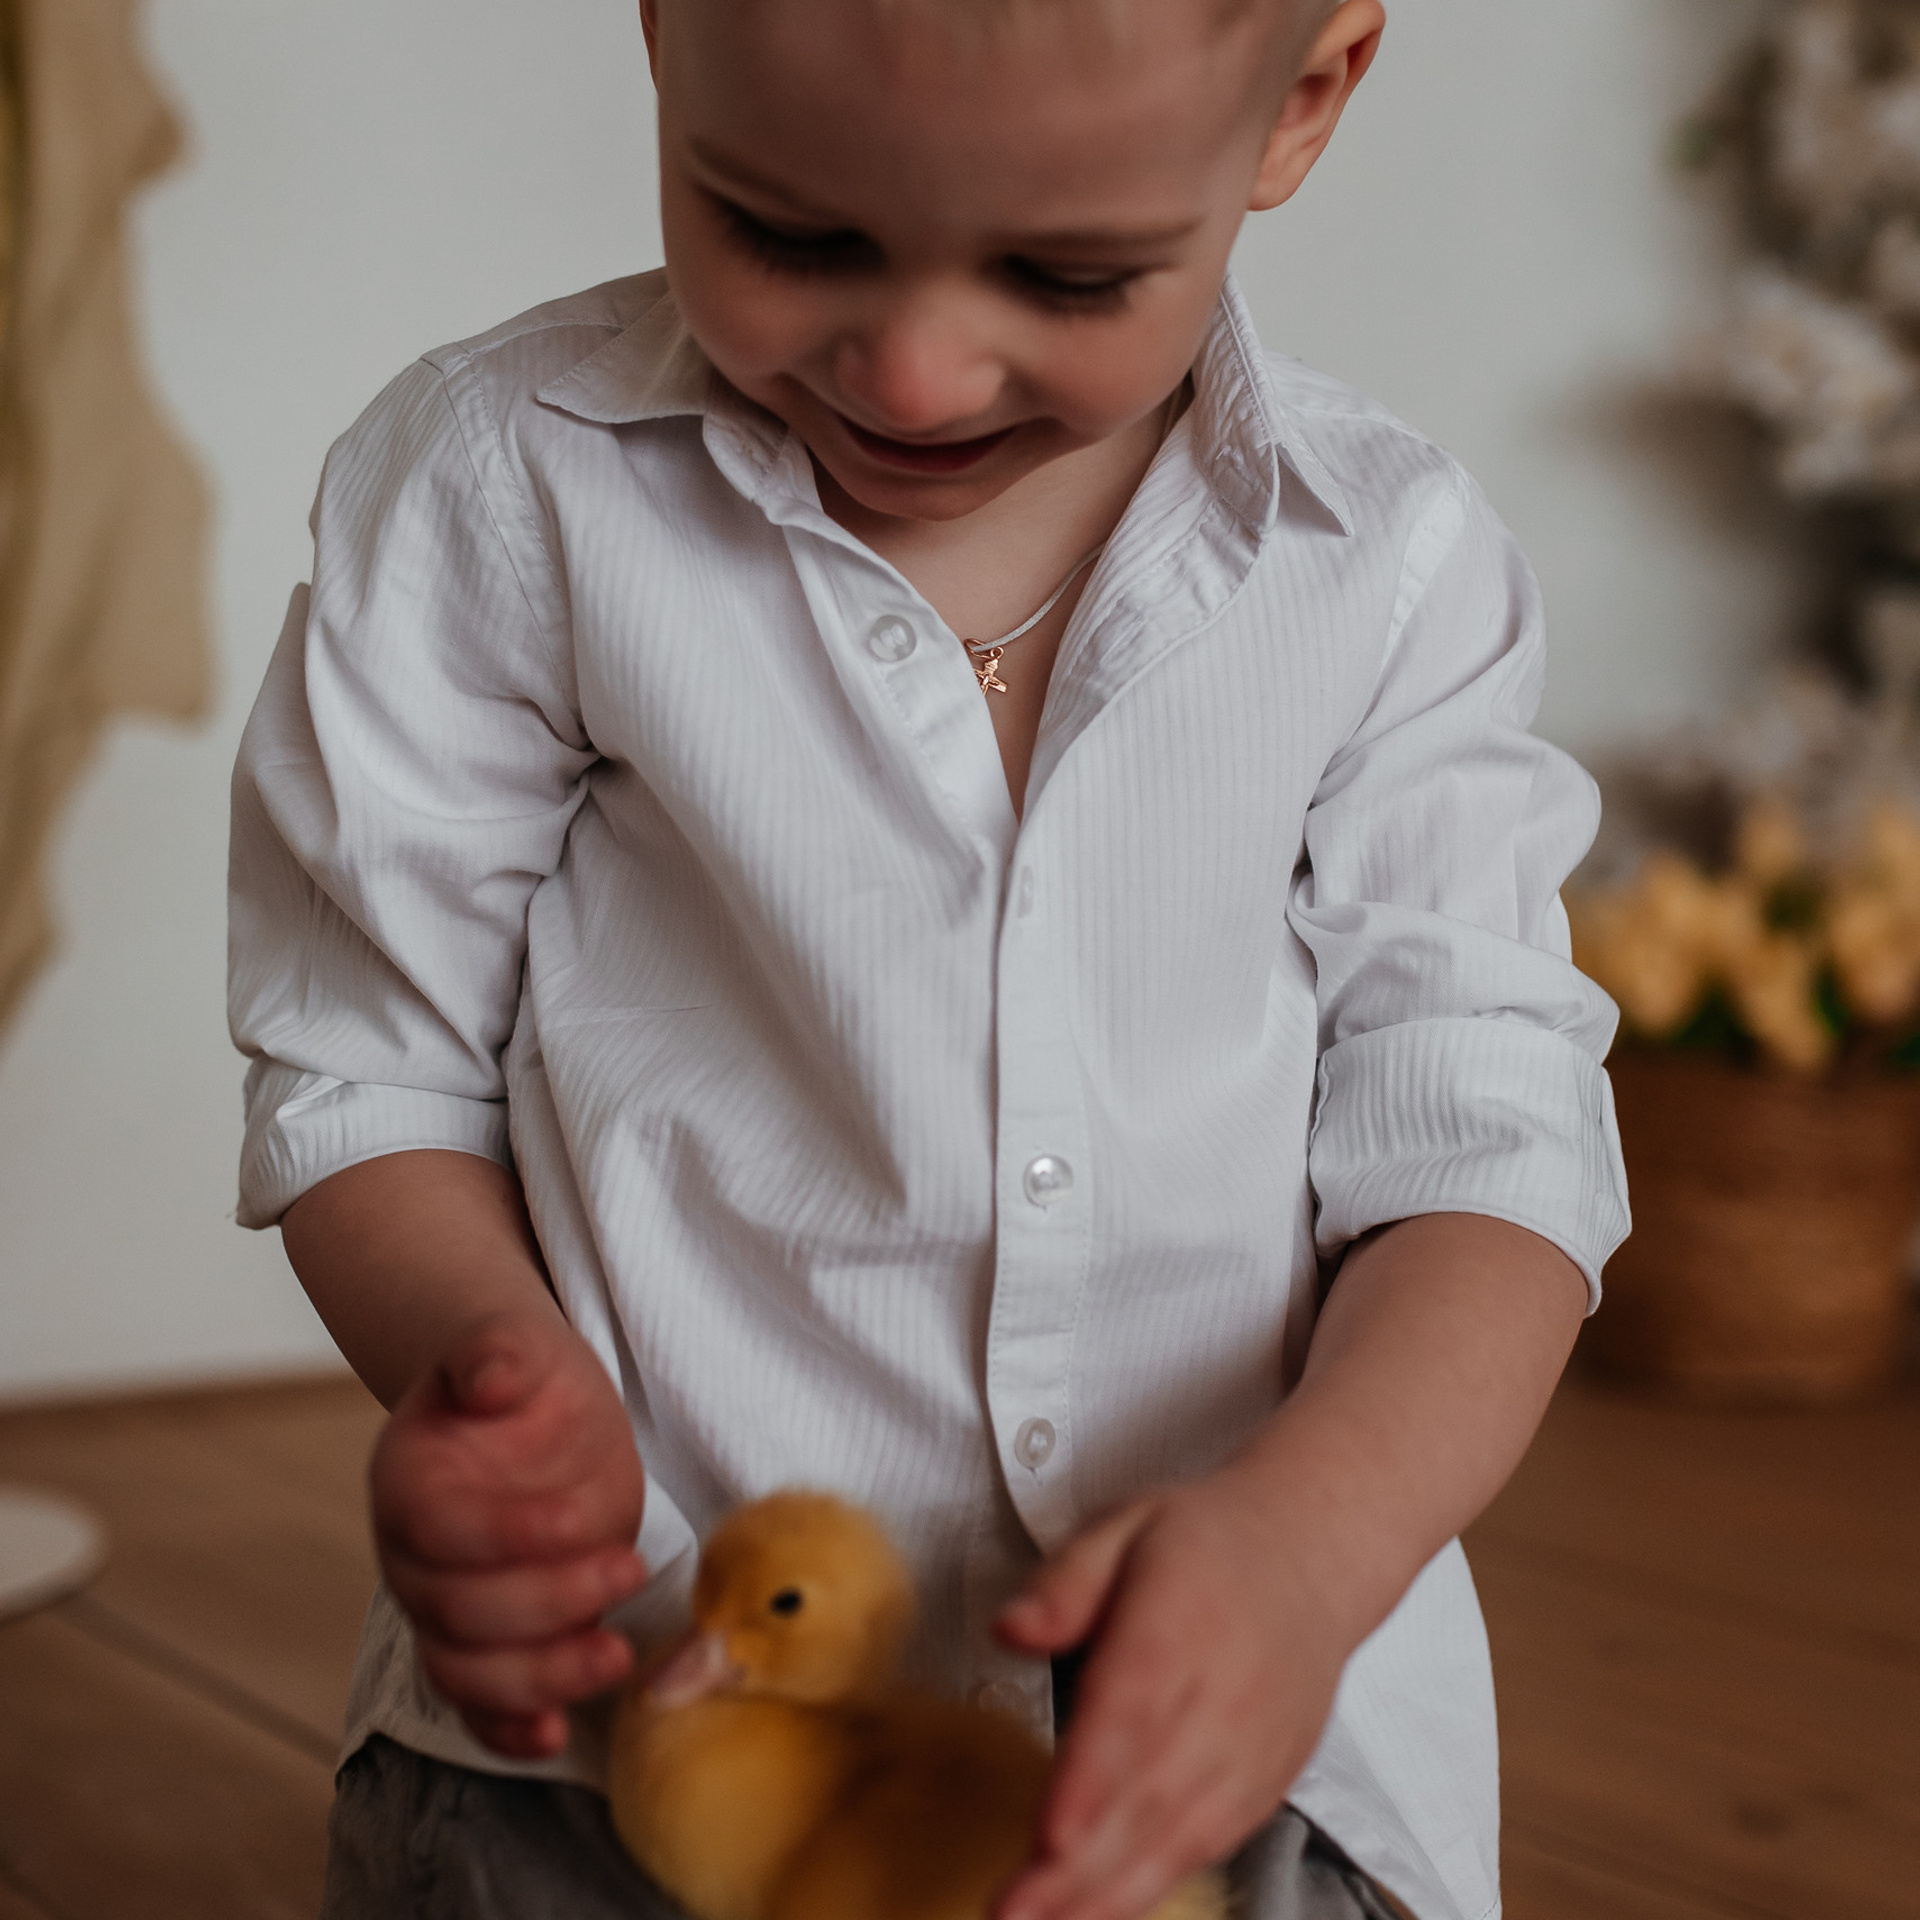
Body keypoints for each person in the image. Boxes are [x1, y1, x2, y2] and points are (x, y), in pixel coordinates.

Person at [228, 1, 1630, 1916]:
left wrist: (1314, 1548)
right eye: (790, 234)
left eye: (1064, 274)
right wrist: (484, 1377)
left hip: (1237, 1759)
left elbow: (1486, 1150)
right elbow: (372, 1064)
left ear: (1302, 104)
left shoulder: (1387, 571)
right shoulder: (507, 485)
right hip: (622, 1738)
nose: (912, 365)